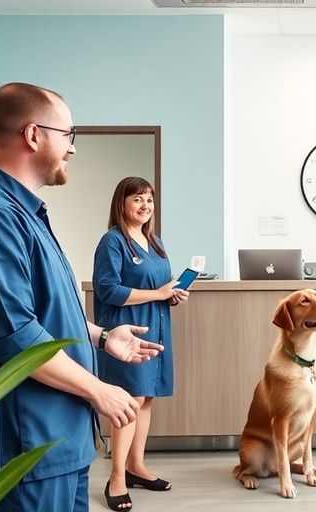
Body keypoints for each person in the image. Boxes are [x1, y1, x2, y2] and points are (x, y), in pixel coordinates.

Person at [0, 82, 165, 512]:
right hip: (22, 446)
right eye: (68, 135)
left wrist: (101, 336)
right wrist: (99, 389)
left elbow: (44, 312)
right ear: (33, 134)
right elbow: (15, 336)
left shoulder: (24, 212)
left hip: (58, 441)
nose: (72, 149)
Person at [94, 177, 188, 510]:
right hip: (126, 335)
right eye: (138, 198)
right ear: (122, 203)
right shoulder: (112, 242)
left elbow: (161, 286)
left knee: (145, 400)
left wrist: (171, 295)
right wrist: (158, 293)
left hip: (157, 331)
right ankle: (116, 477)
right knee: (127, 402)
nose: (145, 205)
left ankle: (136, 466)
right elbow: (107, 290)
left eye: (149, 199)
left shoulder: (156, 242)